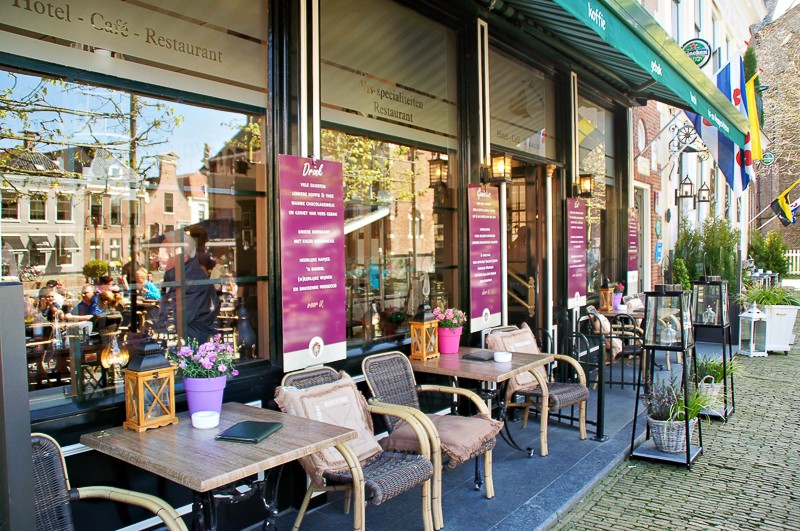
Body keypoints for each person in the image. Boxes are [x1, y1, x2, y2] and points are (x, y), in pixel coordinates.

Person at [156, 231, 220, 343]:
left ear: (183, 258)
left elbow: (185, 317)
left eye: (166, 254)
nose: (160, 259)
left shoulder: (189, 281)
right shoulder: (183, 277)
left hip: (193, 338)